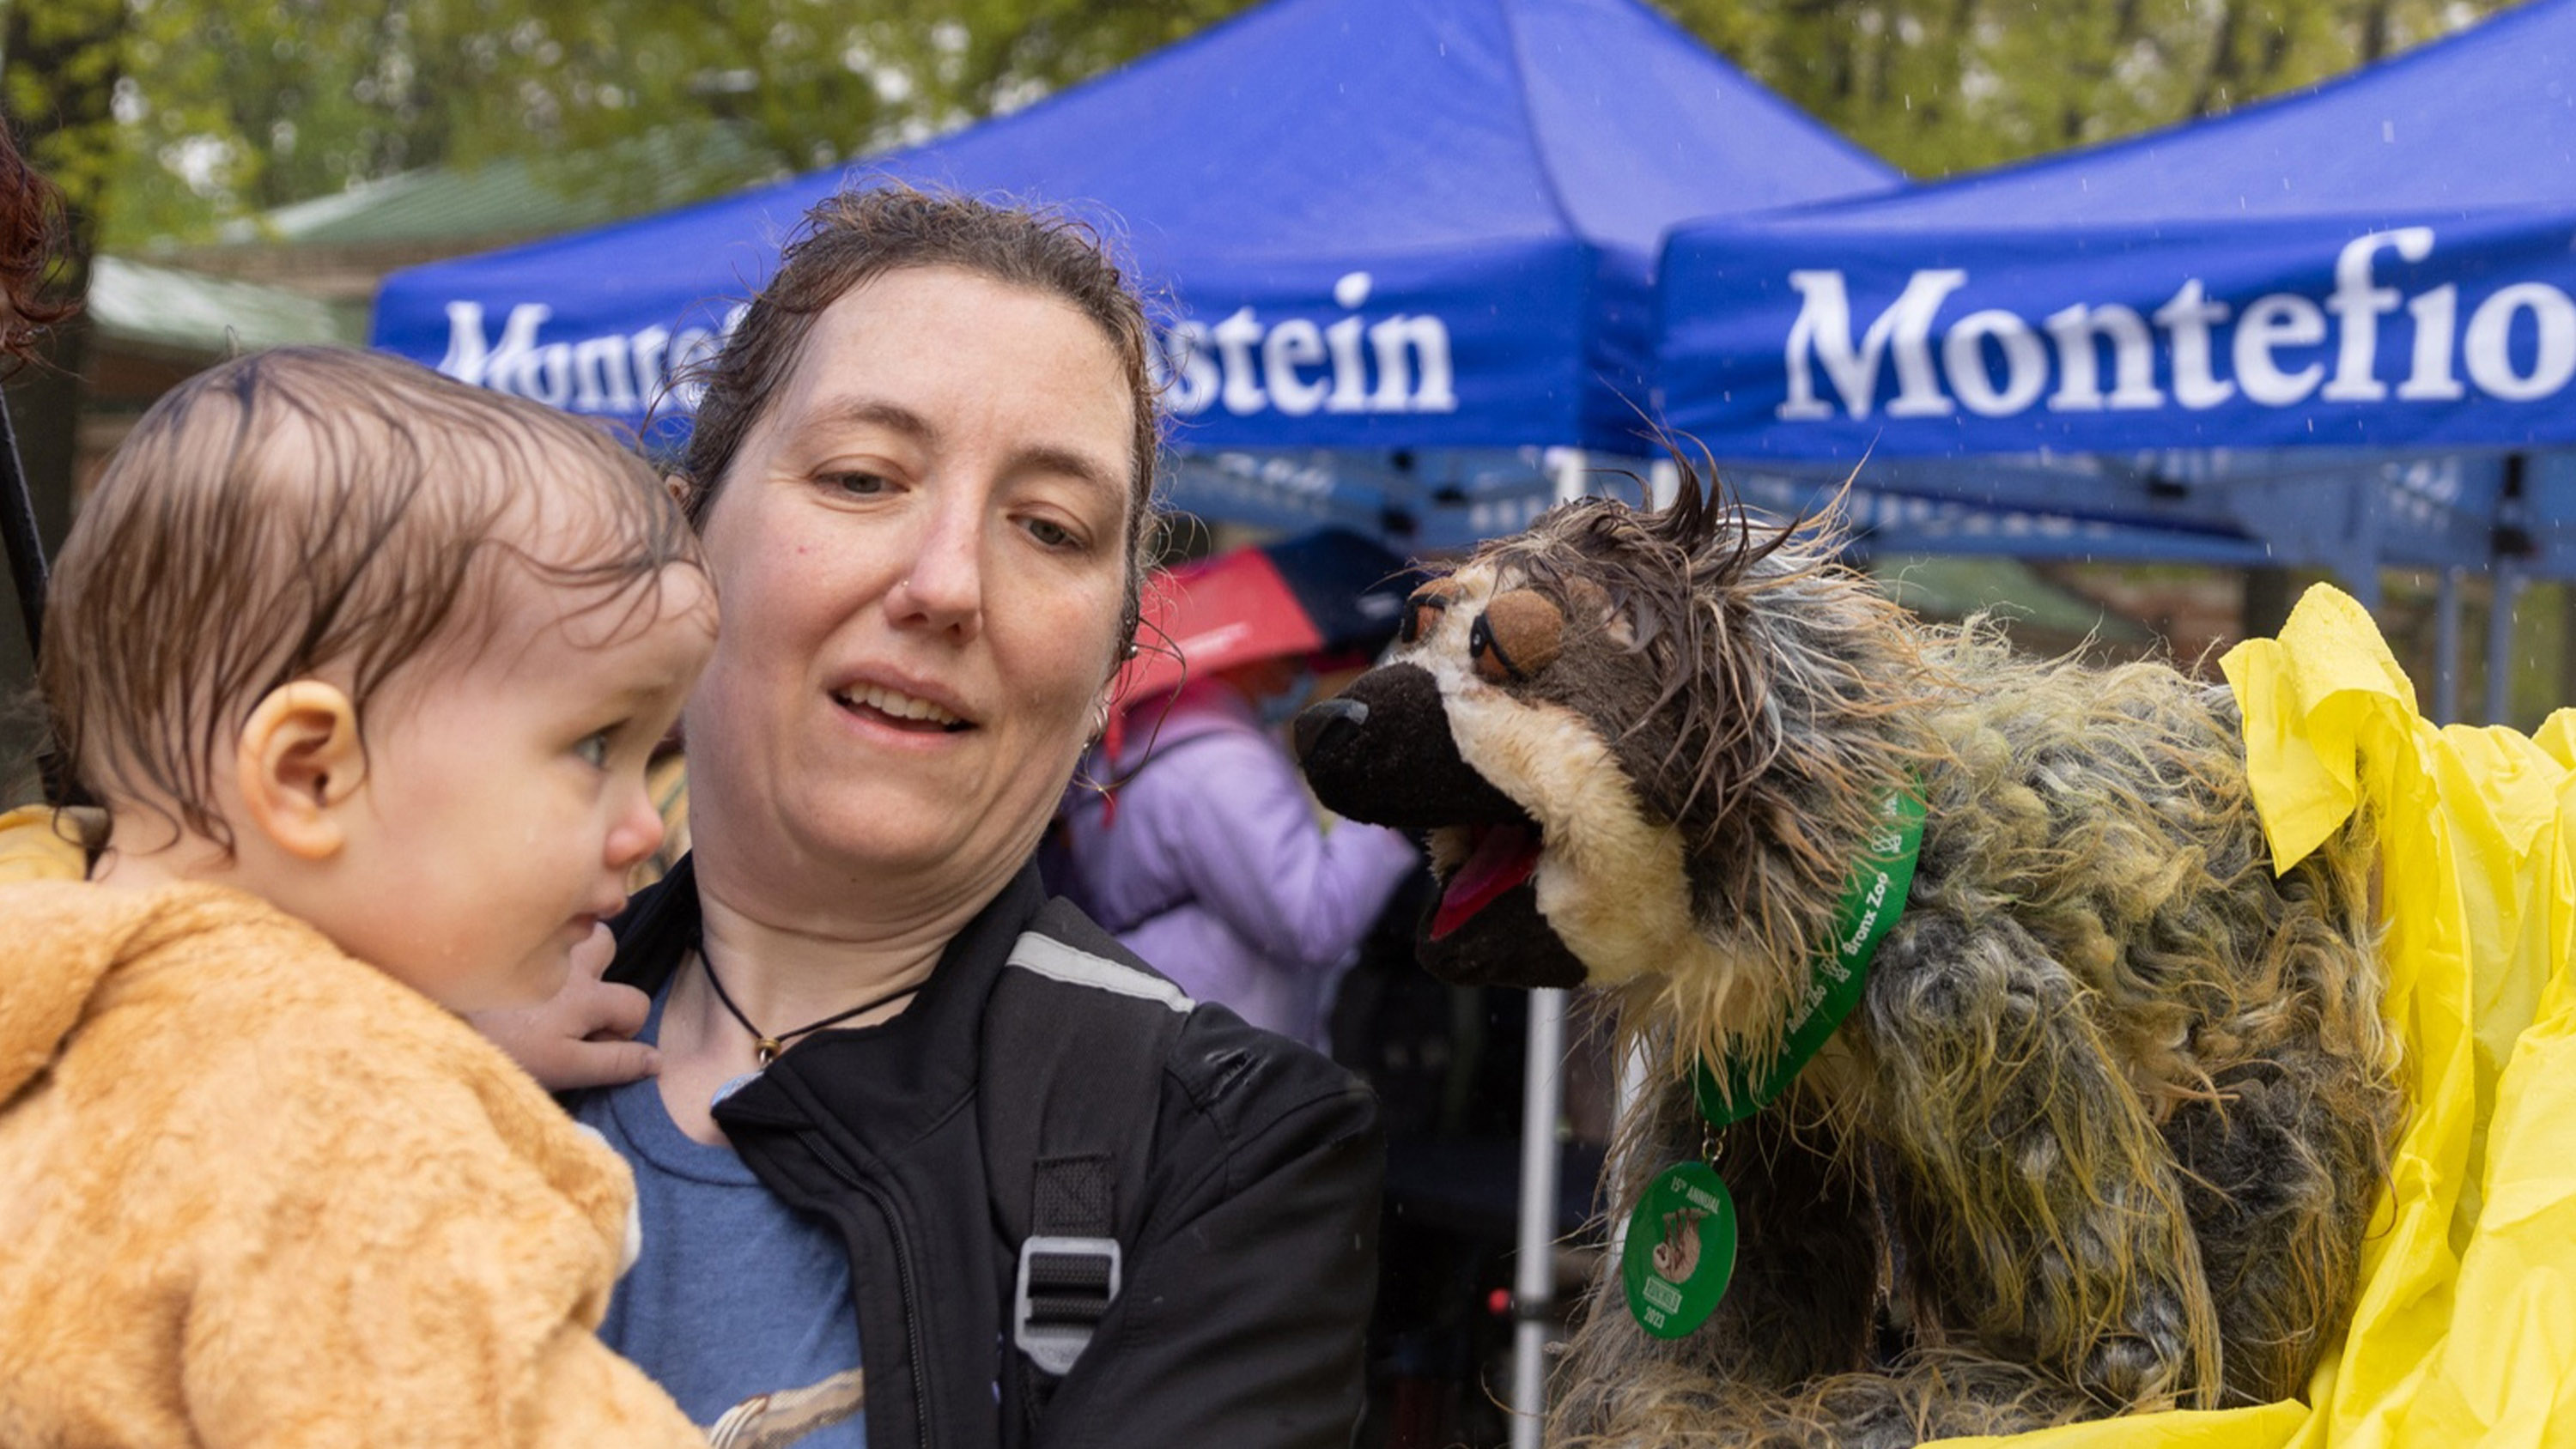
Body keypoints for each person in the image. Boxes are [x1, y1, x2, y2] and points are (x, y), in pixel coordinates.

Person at [496, 185, 1384, 1449]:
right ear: (687, 558)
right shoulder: (393, 1032)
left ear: (1109, 668)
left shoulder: (1229, 1158)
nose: (949, 584)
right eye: (864, 478)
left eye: (1049, 528)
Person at [0, 347, 730, 1448]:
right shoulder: (344, 1120)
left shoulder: (64, 1019)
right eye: (594, 744)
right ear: (308, 773)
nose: (643, 825)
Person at [1051, 657, 1419, 1048]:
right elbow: (1311, 919)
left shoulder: (1151, 738)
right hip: (1227, 1056)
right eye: (1289, 657)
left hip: (1165, 1037)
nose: (1300, 669)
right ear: (1235, 656)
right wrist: (1387, 816)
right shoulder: (1222, 765)